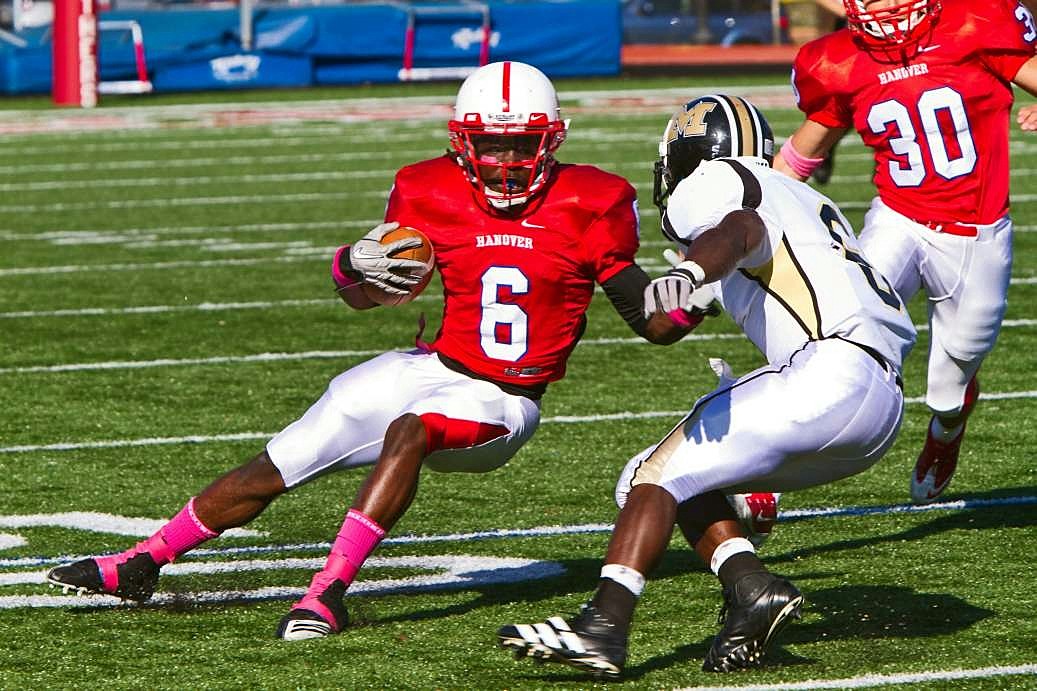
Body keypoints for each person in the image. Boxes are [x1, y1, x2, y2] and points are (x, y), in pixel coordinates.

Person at [45, 61, 708, 640]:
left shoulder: (592, 200)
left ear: (551, 139)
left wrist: (688, 292)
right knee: (281, 458)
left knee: (409, 430)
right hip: (432, 366)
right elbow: (370, 297)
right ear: (461, 141)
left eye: (521, 145)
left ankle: (326, 591)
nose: (505, 162)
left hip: (504, 400)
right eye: (488, 145)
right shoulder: (428, 189)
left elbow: (648, 322)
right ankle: (139, 564)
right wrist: (348, 266)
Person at [497, 94, 916, 677]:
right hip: (882, 410)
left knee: (654, 477)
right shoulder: (808, 200)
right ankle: (751, 589)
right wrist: (662, 277)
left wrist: (691, 270)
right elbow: (692, 307)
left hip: (827, 374)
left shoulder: (720, 180)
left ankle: (604, 626)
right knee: (671, 475)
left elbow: (740, 228)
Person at [773, 0, 1037, 503]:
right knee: (836, 334)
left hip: (976, 233)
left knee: (949, 382)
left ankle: (946, 429)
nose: (884, 6)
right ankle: (767, 478)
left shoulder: (975, 20)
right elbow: (805, 151)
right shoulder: (840, 58)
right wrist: (747, 203)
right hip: (898, 218)